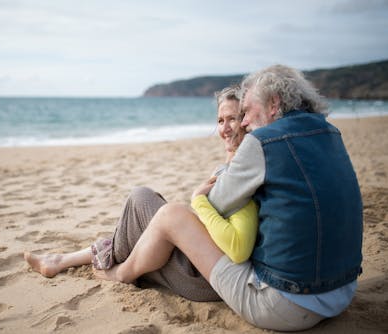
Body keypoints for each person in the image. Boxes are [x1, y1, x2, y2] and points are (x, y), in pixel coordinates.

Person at [94, 65, 363, 332]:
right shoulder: (330, 133)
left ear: (274, 103)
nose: (244, 122)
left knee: (172, 215)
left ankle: (119, 272)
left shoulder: (263, 141)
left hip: (286, 305)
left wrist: (198, 197)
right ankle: (103, 254)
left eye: (246, 111)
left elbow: (217, 205)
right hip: (341, 291)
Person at [24, 85, 258, 302]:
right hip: (195, 260)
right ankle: (61, 260)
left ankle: (77, 263)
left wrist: (196, 201)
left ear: (246, 121)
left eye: (232, 119)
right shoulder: (228, 167)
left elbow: (232, 242)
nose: (224, 128)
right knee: (142, 216)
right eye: (220, 120)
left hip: (203, 276)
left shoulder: (241, 173)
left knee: (141, 201)